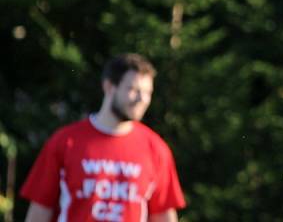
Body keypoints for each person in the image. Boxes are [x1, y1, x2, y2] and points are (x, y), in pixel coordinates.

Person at [21, 53, 186, 222]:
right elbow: (39, 211)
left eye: (147, 92)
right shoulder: (65, 142)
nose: (142, 99)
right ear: (109, 87)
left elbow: (163, 214)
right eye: (134, 90)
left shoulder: (156, 148)